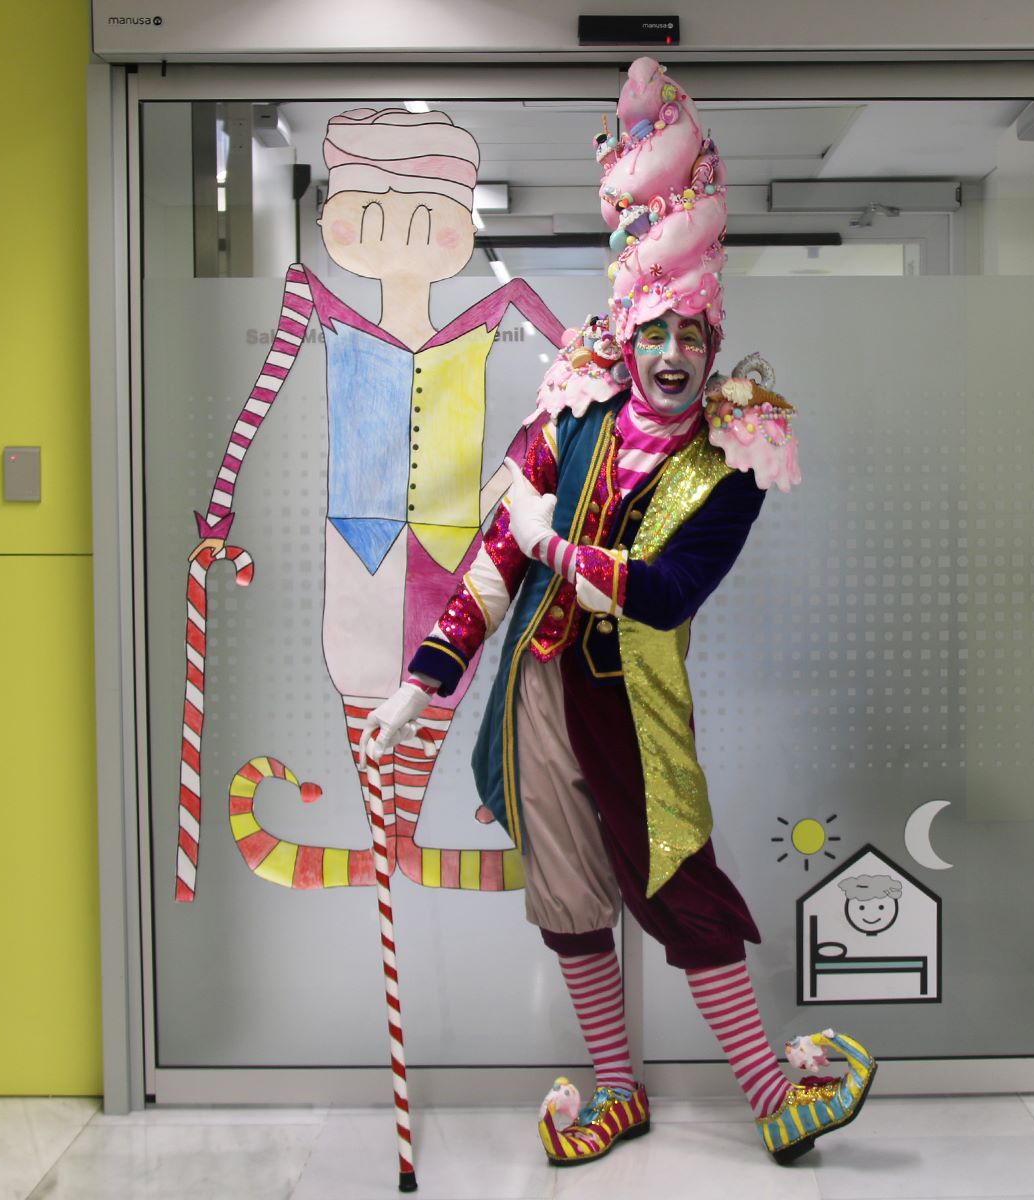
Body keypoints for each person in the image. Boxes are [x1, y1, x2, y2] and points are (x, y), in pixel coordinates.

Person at [360, 57, 873, 1167]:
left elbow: (667, 590)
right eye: (656, 334)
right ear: (626, 333)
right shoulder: (572, 416)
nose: (673, 356)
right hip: (537, 698)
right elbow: (495, 560)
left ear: (713, 340)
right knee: (567, 891)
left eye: (692, 336)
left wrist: (554, 542)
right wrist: (419, 684)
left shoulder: (733, 457)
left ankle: (768, 1089)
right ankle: (617, 1092)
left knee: (677, 877)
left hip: (634, 702)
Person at [186, 106, 563, 897]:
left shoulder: (500, 309)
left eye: (427, 212)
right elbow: (264, 391)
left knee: (437, 680)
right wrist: (220, 508)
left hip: (453, 551)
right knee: (364, 684)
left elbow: (584, 387)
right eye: (374, 209)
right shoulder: (321, 307)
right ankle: (392, 846)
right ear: (338, 224)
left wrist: (507, 481)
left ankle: (407, 844)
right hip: (358, 545)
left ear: (458, 229)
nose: (404, 227)